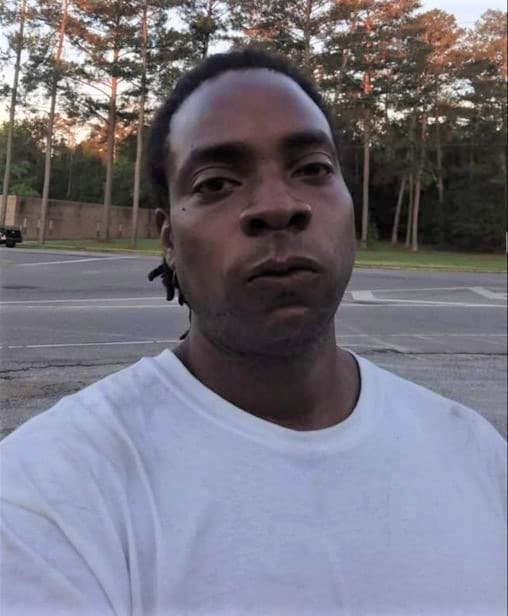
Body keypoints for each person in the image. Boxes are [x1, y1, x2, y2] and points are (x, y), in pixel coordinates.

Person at [1, 48, 506, 616]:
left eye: (312, 169)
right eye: (216, 182)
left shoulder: (475, 454)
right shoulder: (48, 497)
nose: (277, 206)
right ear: (168, 241)